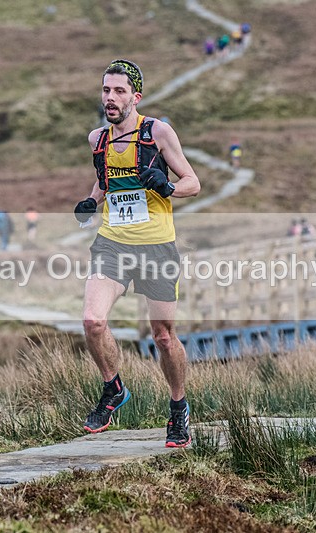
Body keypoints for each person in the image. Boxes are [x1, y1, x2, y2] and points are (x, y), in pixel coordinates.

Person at [73, 59, 201, 448]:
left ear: (135, 97)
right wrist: (91, 202)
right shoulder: (98, 139)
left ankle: (178, 408)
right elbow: (104, 178)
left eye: (119, 92)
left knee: (163, 336)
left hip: (157, 246)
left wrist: (167, 186)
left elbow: (193, 183)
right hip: (113, 242)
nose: (110, 98)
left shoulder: (157, 132)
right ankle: (113, 388)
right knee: (93, 321)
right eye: (106, 90)